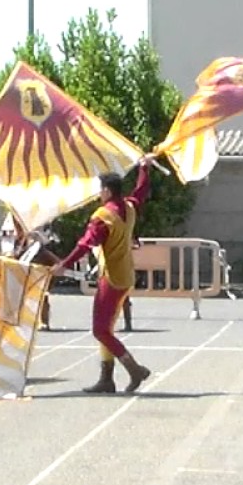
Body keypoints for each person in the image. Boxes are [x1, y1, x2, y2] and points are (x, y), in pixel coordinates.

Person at [50, 157, 155, 394]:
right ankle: (106, 379)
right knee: (107, 328)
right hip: (126, 274)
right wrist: (144, 168)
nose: (99, 195)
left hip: (113, 277)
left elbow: (86, 244)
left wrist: (64, 265)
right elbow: (141, 191)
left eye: (100, 190)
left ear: (107, 191)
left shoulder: (103, 216)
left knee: (100, 330)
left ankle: (134, 369)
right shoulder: (128, 207)